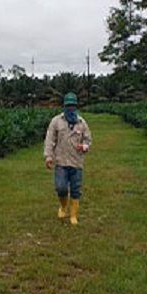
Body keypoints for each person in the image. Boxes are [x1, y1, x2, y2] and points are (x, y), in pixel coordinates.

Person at [43, 92, 92, 225]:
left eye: (73, 105)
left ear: (76, 106)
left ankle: (73, 215)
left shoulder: (81, 123)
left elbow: (88, 139)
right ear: (64, 106)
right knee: (61, 188)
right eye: (68, 105)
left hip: (77, 162)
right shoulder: (56, 121)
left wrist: (85, 146)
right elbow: (50, 140)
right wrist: (48, 156)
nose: (70, 108)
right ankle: (63, 206)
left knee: (76, 189)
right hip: (61, 161)